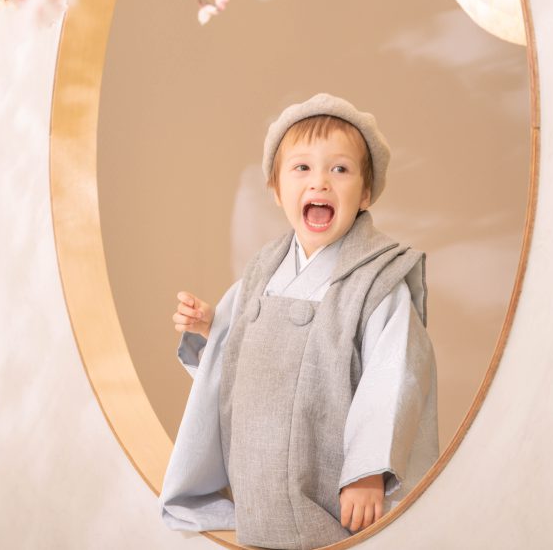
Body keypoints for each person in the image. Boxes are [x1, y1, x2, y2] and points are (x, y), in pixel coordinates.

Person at [158, 92, 439, 550]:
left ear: (366, 193)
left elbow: (393, 377)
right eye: (302, 168)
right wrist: (214, 331)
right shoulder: (262, 271)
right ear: (276, 189)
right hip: (262, 484)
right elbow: (239, 362)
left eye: (340, 169)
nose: (320, 183)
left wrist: (368, 472)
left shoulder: (378, 280)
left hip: (338, 489)